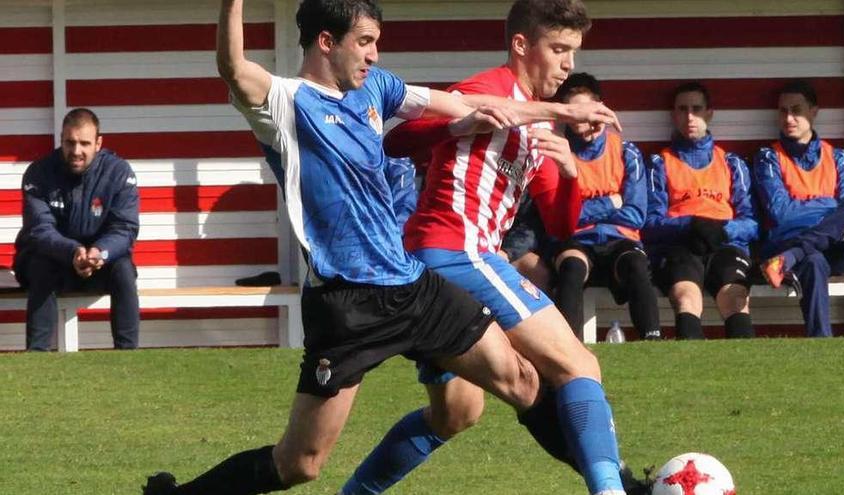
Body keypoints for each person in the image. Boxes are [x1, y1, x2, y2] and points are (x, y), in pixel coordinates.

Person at [142, 1, 620, 494]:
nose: (374, 55)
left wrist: (559, 116)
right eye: (365, 42)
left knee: (519, 382)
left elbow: (466, 107)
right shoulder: (285, 102)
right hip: (348, 304)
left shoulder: (377, 87)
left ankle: (614, 484)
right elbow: (233, 67)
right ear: (327, 42)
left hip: (412, 286)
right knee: (299, 464)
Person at [343, 2, 632, 494]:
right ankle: (615, 488)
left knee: (456, 413)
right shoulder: (484, 91)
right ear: (522, 45)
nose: (567, 64)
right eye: (558, 49)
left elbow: (562, 224)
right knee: (578, 365)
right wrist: (457, 124)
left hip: (432, 266)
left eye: (574, 52)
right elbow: (396, 141)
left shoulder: (542, 127)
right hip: (458, 251)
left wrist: (570, 176)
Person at [754, 80, 844, 337]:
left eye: (796, 110)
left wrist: (807, 208)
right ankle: (821, 343)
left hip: (837, 249)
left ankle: (793, 256)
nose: (789, 117)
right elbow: (781, 214)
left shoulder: (838, 157)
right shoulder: (768, 157)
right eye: (783, 111)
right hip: (788, 245)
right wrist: (831, 206)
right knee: (813, 260)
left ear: (814, 111)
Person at [13, 108, 140, 351]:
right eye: (70, 142)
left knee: (124, 268)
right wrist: (73, 252)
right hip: (53, 263)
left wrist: (100, 252)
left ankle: (128, 355)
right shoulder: (38, 173)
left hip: (97, 263)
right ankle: (36, 357)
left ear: (98, 143)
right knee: (41, 265)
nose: (76, 151)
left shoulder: (119, 173)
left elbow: (125, 228)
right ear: (61, 139)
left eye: (84, 143)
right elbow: (40, 230)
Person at [550, 73, 660, 342]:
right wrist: (611, 202)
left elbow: (636, 214)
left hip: (620, 241)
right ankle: (568, 349)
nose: (588, 121)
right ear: (566, 117)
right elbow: (559, 217)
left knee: (636, 264)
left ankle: (653, 343)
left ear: (602, 107)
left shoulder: (625, 151)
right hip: (576, 242)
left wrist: (583, 210)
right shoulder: (557, 153)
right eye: (578, 115)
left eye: (592, 111)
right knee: (571, 268)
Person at [643, 81, 758, 340]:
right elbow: (649, 223)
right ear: (674, 115)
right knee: (686, 297)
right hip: (681, 245)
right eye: (683, 109)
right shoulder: (659, 163)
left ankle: (747, 371)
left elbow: (752, 222)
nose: (690, 117)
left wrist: (723, 228)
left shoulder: (731, 162)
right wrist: (690, 224)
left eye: (696, 109)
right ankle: (689, 369)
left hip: (725, 243)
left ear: (709, 113)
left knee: (735, 296)